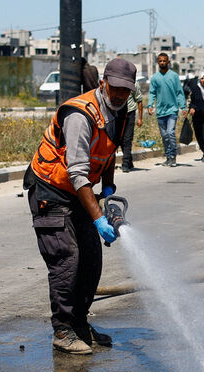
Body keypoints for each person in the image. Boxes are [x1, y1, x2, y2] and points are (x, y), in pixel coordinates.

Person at [24, 58, 134, 355]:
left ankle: (80, 325)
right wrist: (98, 218)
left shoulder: (120, 111)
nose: (120, 95)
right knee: (67, 260)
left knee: (91, 259)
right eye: (116, 88)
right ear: (103, 83)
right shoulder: (79, 115)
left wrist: (108, 190)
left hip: (79, 190)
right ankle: (62, 330)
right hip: (51, 189)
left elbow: (108, 153)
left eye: (126, 90)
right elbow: (77, 173)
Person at [147, 53, 187, 167]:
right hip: (160, 111)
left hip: (172, 110)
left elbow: (179, 92)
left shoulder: (174, 76)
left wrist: (183, 107)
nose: (162, 63)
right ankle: (168, 156)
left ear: (168, 62)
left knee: (170, 133)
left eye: (164, 61)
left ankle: (173, 156)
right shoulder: (155, 77)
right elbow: (152, 93)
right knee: (164, 136)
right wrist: (150, 105)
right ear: (158, 62)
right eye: (160, 61)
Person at [119, 81, 143, 173]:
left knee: (127, 139)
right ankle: (129, 161)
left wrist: (140, 118)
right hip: (118, 113)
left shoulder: (134, 83)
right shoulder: (116, 82)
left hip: (130, 113)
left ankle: (125, 163)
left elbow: (139, 100)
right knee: (120, 139)